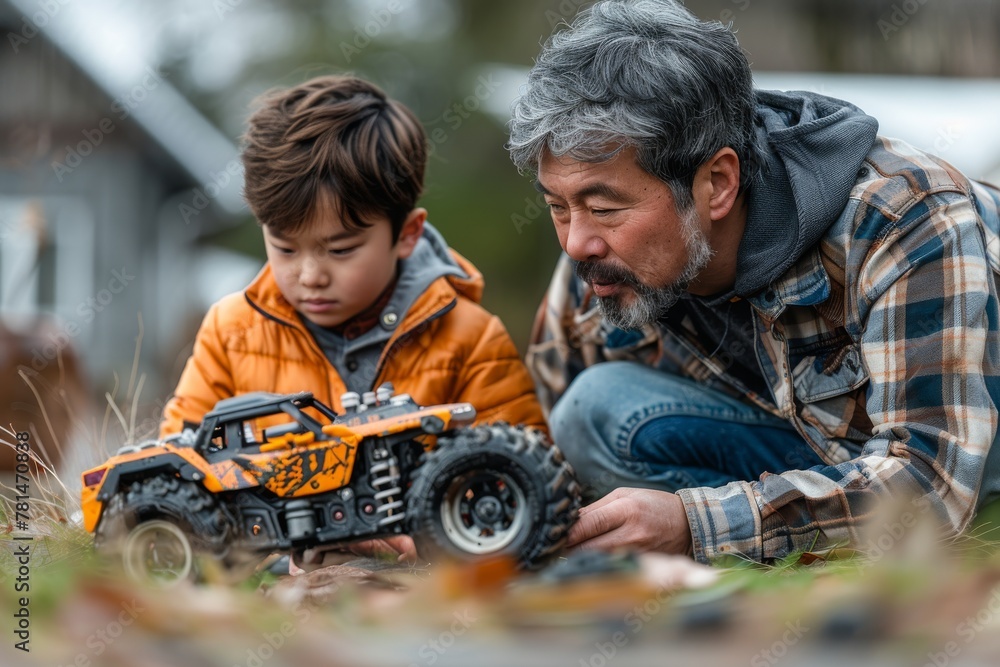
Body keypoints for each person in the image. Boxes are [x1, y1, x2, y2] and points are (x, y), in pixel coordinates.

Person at [508, 0, 1000, 564]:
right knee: (593, 409)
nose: (576, 243)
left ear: (717, 182)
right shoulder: (605, 258)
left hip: (966, 452)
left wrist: (697, 526)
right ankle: (788, 542)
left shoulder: (900, 218)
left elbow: (932, 480)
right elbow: (538, 432)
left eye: (602, 206)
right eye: (558, 207)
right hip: (816, 456)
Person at [162, 74, 545, 441]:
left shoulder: (471, 342)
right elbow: (177, 468)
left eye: (341, 250)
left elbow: (525, 472)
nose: (310, 276)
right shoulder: (231, 335)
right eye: (285, 248)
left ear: (407, 234)